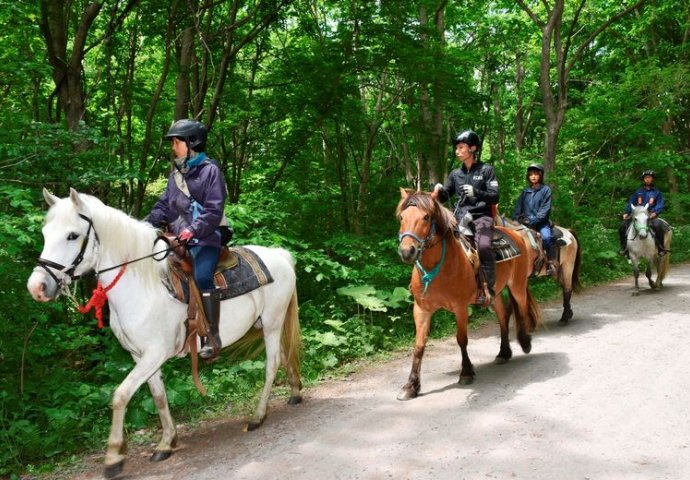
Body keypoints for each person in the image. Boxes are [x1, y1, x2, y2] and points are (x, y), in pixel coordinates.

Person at [146, 119, 226, 360]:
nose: (173, 147)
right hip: (178, 241)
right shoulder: (175, 176)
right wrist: (145, 224)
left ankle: (213, 336)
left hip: (207, 237)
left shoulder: (210, 171)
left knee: (202, 276)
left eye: (177, 141)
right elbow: (163, 206)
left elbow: (214, 209)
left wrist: (194, 229)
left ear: (192, 143)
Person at [435, 130, 499, 306]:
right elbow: (444, 195)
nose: (457, 151)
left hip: (482, 218)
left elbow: (495, 196)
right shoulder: (455, 174)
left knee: (484, 247)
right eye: (456, 147)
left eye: (461, 147)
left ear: (472, 148)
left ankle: (489, 290)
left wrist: (476, 192)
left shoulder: (487, 170)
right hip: (460, 218)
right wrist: (438, 191)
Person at [512, 163, 557, 276]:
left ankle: (551, 263)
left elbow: (544, 210)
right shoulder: (525, 191)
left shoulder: (546, 190)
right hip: (526, 223)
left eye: (536, 174)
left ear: (540, 176)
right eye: (531, 174)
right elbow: (518, 207)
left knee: (546, 237)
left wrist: (532, 220)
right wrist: (515, 218)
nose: (533, 176)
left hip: (541, 223)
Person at [618, 170, 667, 257]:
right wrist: (626, 212)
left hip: (650, 215)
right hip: (637, 214)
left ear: (652, 179)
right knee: (622, 226)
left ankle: (660, 248)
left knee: (658, 226)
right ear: (643, 179)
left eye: (649, 178)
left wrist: (655, 212)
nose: (647, 179)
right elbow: (631, 202)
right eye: (646, 178)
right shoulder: (638, 192)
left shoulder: (657, 192)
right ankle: (624, 248)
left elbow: (660, 204)